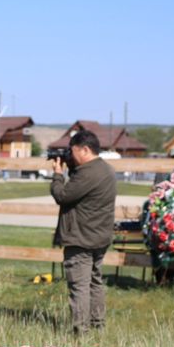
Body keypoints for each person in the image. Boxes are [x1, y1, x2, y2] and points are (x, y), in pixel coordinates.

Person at [50, 128, 117, 332]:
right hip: (99, 236)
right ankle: (98, 324)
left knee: (79, 285)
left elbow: (62, 195)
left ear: (85, 150)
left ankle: (81, 329)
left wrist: (58, 174)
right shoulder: (105, 169)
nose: (71, 155)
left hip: (81, 238)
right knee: (95, 282)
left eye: (73, 151)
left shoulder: (87, 173)